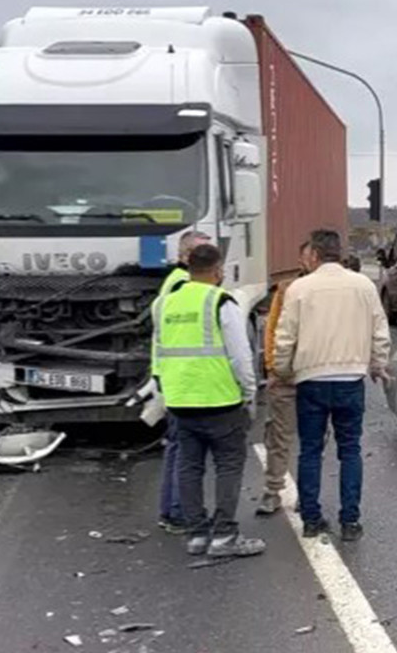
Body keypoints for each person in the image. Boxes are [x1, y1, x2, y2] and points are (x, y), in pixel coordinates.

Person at [273, 229, 390, 542]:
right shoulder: (363, 285)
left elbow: (284, 337)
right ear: (339, 251)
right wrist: (377, 364)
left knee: (310, 451)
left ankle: (311, 519)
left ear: (314, 254)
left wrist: (282, 370)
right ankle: (350, 521)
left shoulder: (299, 289)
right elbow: (380, 330)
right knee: (350, 450)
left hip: (311, 379)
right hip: (351, 377)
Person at [153, 243, 264, 558]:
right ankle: (225, 535)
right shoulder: (221, 302)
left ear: (188, 269)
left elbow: (158, 350)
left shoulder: (164, 303)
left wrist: (163, 391)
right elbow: (241, 356)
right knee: (229, 465)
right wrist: (249, 393)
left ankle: (197, 534)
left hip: (180, 401)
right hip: (220, 400)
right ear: (218, 271)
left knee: (189, 466)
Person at [156, 230, 212, 535]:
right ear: (185, 256)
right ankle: (179, 512)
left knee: (176, 447)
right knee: (187, 453)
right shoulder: (183, 286)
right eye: (202, 253)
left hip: (175, 377)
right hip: (187, 381)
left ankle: (170, 510)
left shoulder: (172, 282)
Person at [256, 242, 315, 516]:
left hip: (316, 376)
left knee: (312, 441)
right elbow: (272, 331)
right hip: (286, 377)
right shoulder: (285, 289)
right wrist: (271, 368)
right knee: (278, 437)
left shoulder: (327, 291)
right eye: (307, 256)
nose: (311, 261)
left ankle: (307, 493)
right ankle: (272, 490)